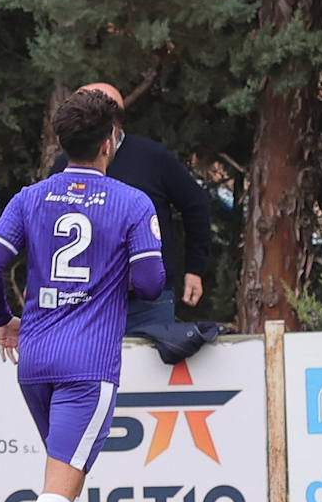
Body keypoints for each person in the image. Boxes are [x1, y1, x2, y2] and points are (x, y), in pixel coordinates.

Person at [0, 89, 166, 502]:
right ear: (110, 142)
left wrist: (1, 319)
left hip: (34, 357)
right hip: (88, 361)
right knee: (63, 483)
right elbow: (152, 282)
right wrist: (112, 279)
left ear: (64, 142)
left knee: (64, 476)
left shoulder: (32, 196)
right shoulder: (132, 203)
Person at [51, 83, 211, 332]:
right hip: (84, 300)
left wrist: (194, 269)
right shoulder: (65, 165)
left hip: (147, 303)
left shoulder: (154, 158)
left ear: (117, 122)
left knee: (149, 371)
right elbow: (49, 228)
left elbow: (196, 205)